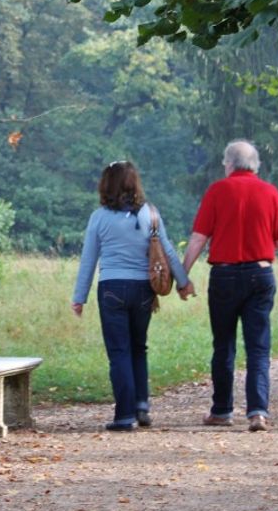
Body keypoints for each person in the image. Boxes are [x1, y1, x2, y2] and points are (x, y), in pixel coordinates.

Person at [71, 161, 193, 432]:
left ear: (106, 185)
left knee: (119, 352)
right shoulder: (149, 214)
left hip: (112, 288)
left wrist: (80, 297)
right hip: (143, 290)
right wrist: (183, 282)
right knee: (138, 347)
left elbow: (88, 260)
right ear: (135, 184)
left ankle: (124, 416)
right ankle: (141, 405)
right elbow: (168, 251)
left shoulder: (99, 218)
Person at [181, 140, 278, 433]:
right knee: (258, 347)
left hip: (225, 276)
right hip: (260, 274)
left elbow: (198, 238)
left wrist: (183, 276)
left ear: (228, 164)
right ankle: (257, 412)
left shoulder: (218, 191)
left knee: (224, 345)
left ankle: (222, 410)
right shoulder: (270, 192)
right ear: (255, 164)